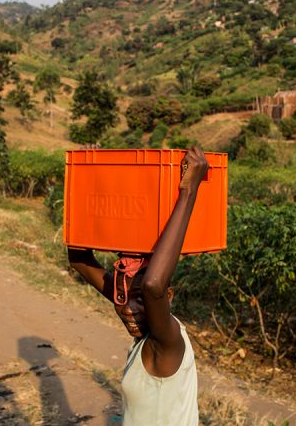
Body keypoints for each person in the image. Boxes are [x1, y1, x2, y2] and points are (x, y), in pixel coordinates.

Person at [68, 146, 208, 426]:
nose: (127, 309)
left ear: (167, 296)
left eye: (140, 298)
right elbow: (79, 259)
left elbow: (152, 285)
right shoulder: (139, 320)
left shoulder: (167, 343)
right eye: (120, 297)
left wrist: (189, 190)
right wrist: (89, 178)